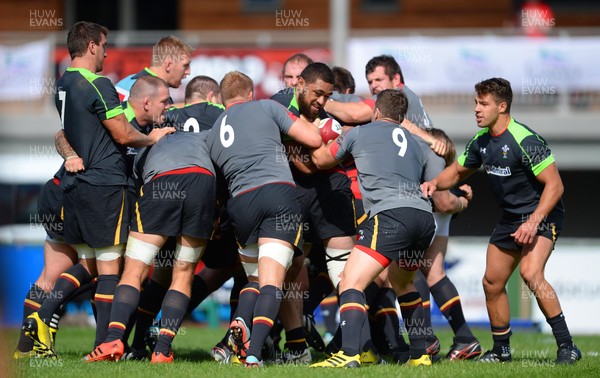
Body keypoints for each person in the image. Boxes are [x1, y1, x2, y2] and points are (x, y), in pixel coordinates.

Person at [22, 21, 174, 357]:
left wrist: (74, 154)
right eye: (104, 45)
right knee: (108, 268)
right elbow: (122, 133)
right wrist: (153, 139)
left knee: (79, 267)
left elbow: (64, 134)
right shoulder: (100, 85)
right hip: (104, 186)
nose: (107, 52)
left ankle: (33, 336)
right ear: (92, 46)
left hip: (71, 186)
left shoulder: (63, 84)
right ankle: (95, 341)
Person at [421, 77, 581, 365]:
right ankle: (501, 351)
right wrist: (434, 183)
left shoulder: (525, 139)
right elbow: (457, 172)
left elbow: (555, 186)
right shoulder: (481, 142)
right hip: (510, 219)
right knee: (491, 283)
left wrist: (533, 222)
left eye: (483, 104)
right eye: (476, 103)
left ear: (502, 106)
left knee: (531, 274)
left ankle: (567, 345)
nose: (477, 109)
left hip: (543, 214)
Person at [84, 78, 216, 364]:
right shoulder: (203, 137)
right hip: (202, 182)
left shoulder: (147, 143)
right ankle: (162, 350)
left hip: (161, 182)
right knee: (183, 273)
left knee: (134, 270)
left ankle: (112, 342)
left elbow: (137, 183)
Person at [310, 89, 436, 368]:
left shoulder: (359, 133)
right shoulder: (415, 144)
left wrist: (317, 132)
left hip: (390, 215)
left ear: (376, 111)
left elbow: (322, 160)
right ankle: (420, 356)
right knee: (404, 284)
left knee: (350, 282)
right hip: (424, 219)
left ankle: (350, 353)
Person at [206, 70, 322, 367]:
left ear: (222, 99)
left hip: (240, 204)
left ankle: (239, 326)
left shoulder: (215, 129)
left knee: (253, 279)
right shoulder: (267, 107)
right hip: (277, 195)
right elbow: (312, 137)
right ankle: (254, 353)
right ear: (249, 94)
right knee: (272, 282)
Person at [270, 63, 356, 363]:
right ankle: (295, 346)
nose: (321, 101)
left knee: (345, 271)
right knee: (288, 271)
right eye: (318, 93)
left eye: (327, 96)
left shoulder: (329, 118)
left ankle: (355, 348)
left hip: (332, 192)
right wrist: (308, 147)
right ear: (301, 84)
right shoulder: (278, 105)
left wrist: (302, 145)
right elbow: (307, 164)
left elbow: (317, 162)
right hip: (292, 194)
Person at [115, 35, 192, 103]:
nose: (189, 72)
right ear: (168, 65)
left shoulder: (126, 81)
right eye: (185, 65)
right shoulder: (158, 96)